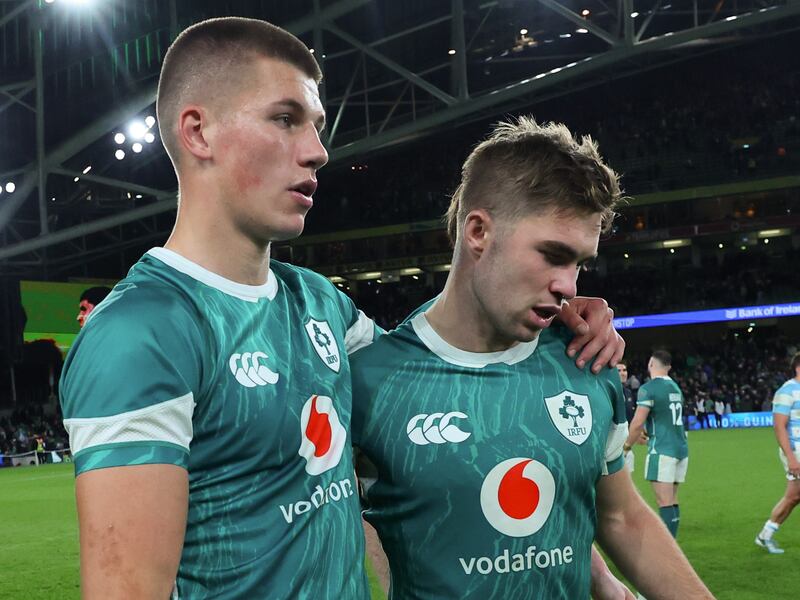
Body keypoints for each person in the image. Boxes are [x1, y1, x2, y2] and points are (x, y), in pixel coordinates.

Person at [59, 18, 624, 600]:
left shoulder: (321, 305)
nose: (317, 152)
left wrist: (562, 317)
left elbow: (440, 369)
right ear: (199, 132)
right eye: (285, 119)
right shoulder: (140, 333)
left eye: (317, 126)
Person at [351, 119, 711, 599]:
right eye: (552, 254)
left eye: (579, 263)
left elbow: (621, 518)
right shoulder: (369, 380)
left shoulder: (584, 362)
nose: (570, 285)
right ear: (478, 231)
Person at [624, 350, 688, 538]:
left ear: (651, 363)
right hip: (681, 448)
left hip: (662, 449)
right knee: (672, 500)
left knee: (664, 502)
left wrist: (626, 447)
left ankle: (669, 551)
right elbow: (662, 418)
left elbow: (637, 423)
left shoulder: (648, 388)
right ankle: (673, 544)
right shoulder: (675, 387)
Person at [754, 352, 800, 554]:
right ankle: (765, 536)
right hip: (796, 451)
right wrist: (791, 457)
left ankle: (765, 535)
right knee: (793, 496)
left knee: (793, 496)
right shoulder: (787, 391)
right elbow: (779, 426)